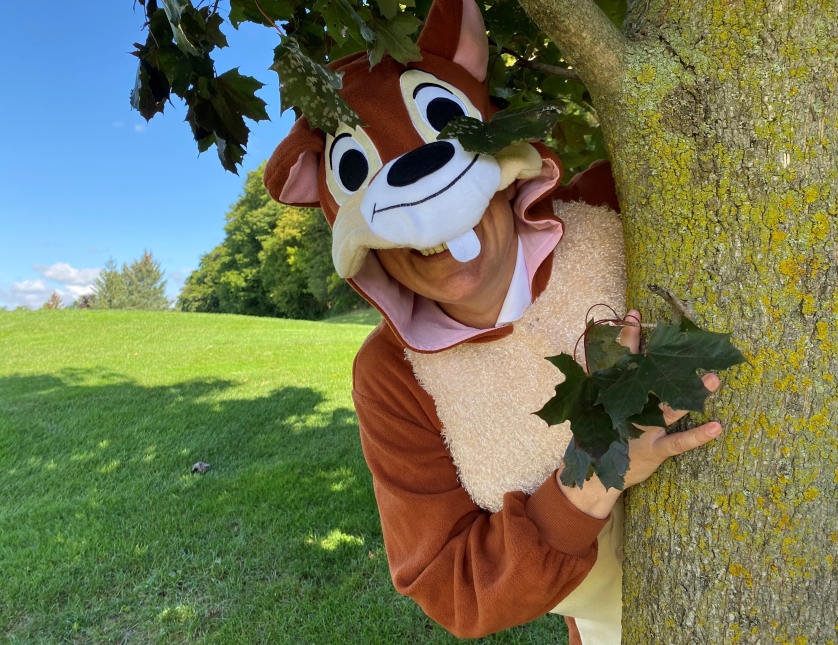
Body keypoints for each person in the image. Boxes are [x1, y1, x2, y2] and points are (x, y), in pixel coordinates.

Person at [263, 0, 722, 641]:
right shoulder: (392, 376)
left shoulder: (614, 204)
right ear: (366, 252)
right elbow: (451, 588)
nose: (439, 228)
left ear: (503, 170)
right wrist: (590, 475)